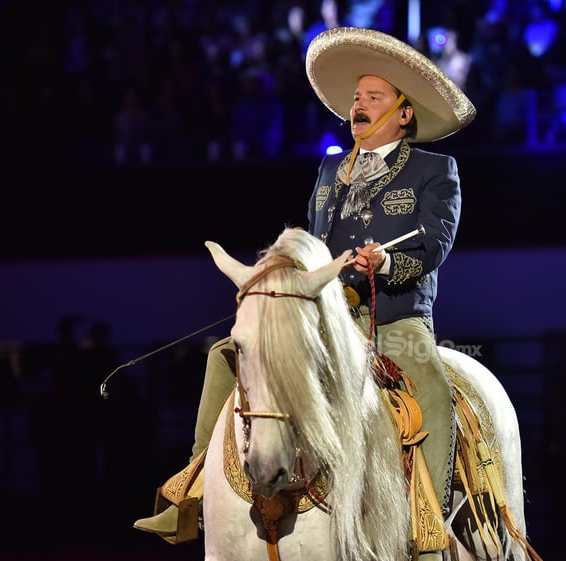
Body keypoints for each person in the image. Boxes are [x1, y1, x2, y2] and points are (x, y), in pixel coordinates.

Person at [133, 26, 476, 559]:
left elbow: (435, 245)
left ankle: (425, 526)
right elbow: (314, 247)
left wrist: (386, 261)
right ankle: (192, 491)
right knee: (226, 356)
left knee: (428, 380)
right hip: (326, 317)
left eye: (374, 98)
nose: (359, 106)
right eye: (357, 98)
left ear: (403, 113)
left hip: (395, 322)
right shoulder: (329, 170)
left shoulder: (437, 171)